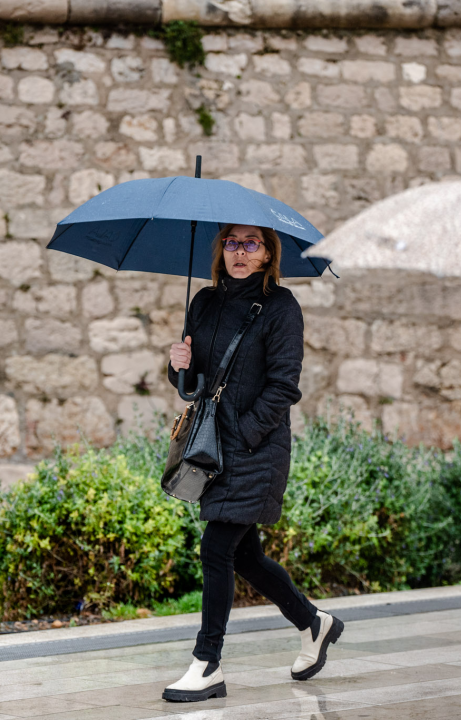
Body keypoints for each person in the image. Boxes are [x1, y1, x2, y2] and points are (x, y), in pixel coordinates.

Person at [161, 224, 343, 702]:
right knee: (245, 555)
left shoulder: (281, 308)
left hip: (256, 450)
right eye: (230, 243)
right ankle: (313, 622)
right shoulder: (203, 302)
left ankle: (207, 663)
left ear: (267, 253)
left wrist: (242, 433)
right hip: (211, 452)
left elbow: (284, 386)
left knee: (215, 549)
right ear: (221, 250)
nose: (239, 252)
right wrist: (178, 363)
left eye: (250, 244)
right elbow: (193, 384)